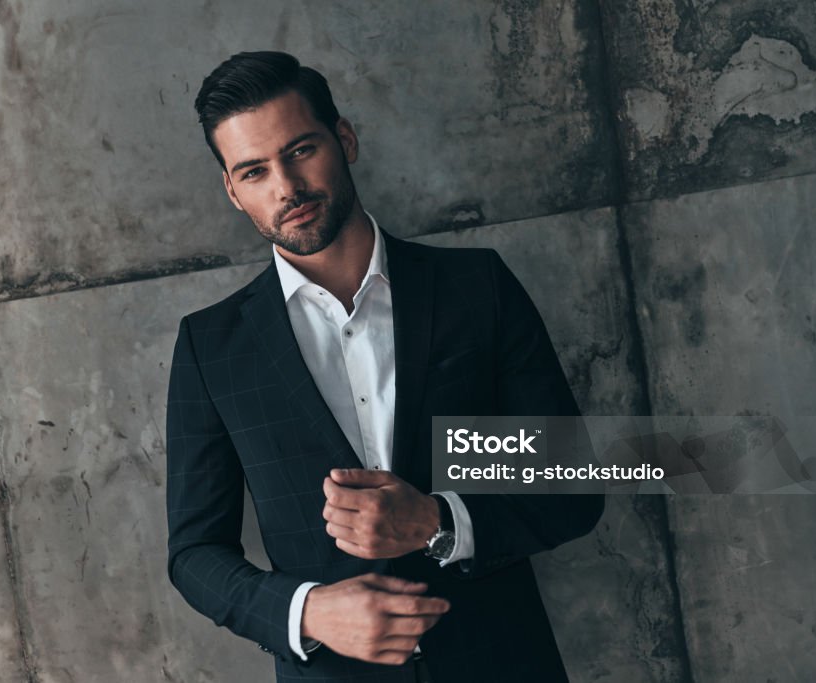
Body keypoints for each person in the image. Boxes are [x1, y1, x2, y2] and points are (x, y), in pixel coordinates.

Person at [166, 51, 604, 683]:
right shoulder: (212, 348)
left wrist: (437, 521)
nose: (286, 188)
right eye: (255, 171)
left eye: (301, 151)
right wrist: (307, 612)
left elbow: (573, 485)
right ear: (234, 191)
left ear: (344, 139)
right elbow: (194, 554)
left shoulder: (475, 288)